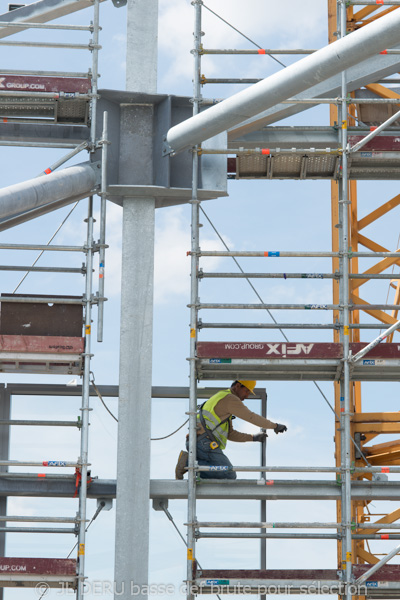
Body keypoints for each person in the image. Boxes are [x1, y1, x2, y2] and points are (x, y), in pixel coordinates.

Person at [175, 380, 287, 480]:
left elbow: (230, 434)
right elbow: (251, 417)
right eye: (247, 391)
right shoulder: (230, 399)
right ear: (238, 386)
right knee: (228, 474)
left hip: (198, 441)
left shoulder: (221, 397)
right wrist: (275, 426)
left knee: (216, 471)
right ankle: (187, 463)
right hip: (205, 443)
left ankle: (190, 465)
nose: (247, 396)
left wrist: (253, 438)